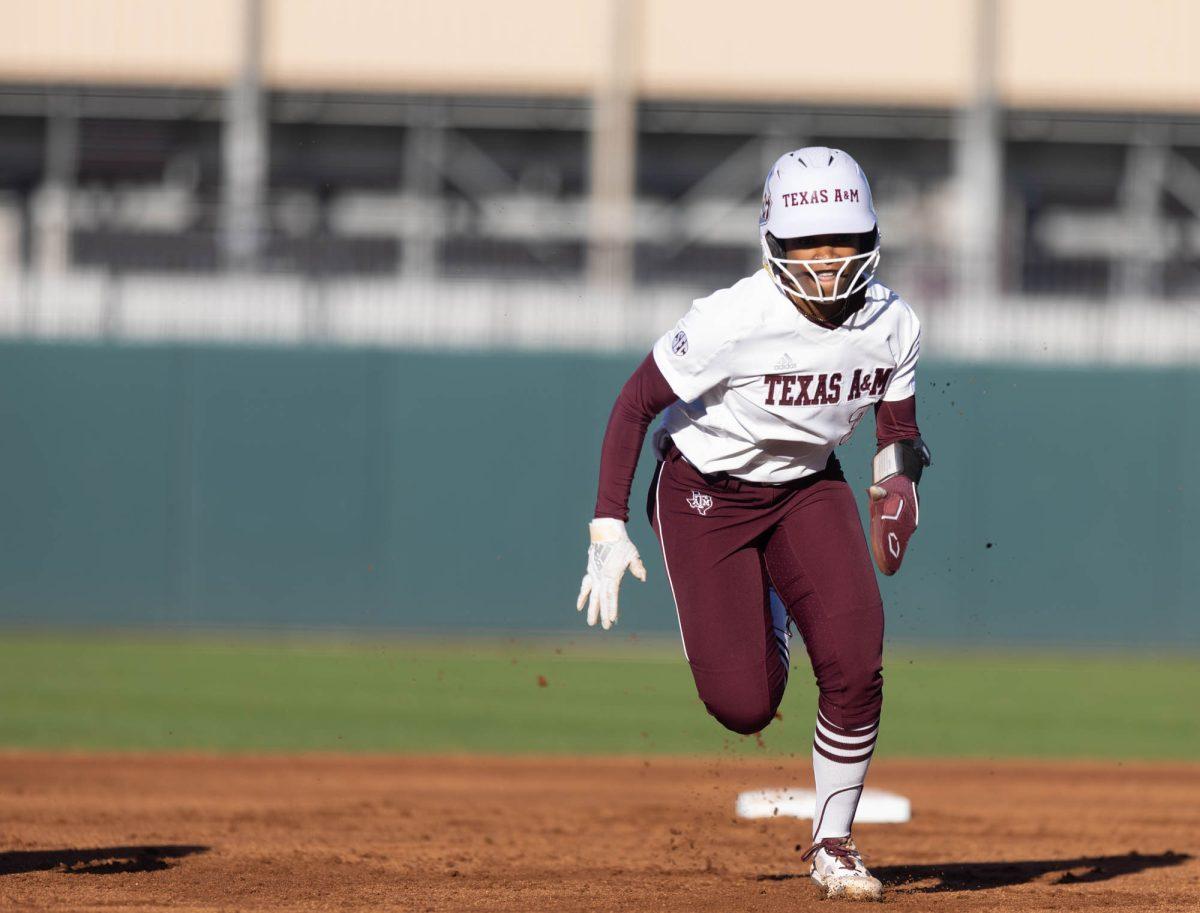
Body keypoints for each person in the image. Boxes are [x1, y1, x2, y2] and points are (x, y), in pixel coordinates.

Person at [575, 147, 930, 902]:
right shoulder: (729, 320)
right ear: (775, 244)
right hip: (706, 491)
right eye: (809, 244)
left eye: (841, 241)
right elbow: (634, 402)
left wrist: (901, 482)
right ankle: (766, 598)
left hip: (807, 486)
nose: (827, 262)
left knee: (857, 657)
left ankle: (834, 844)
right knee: (745, 706)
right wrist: (607, 522)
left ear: (870, 238)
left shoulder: (894, 322)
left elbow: (897, 429)